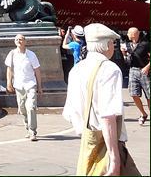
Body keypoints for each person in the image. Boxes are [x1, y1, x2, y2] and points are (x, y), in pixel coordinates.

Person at [63, 23, 131, 176]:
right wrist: (114, 159)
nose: (113, 47)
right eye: (113, 43)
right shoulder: (109, 69)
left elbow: (70, 113)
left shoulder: (76, 70)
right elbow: (108, 116)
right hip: (108, 147)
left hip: (87, 145)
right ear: (107, 45)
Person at [5, 34, 43, 141]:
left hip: (30, 84)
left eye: (21, 39)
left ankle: (32, 131)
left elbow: (37, 70)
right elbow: (9, 70)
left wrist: (39, 86)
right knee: (22, 108)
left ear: (25, 41)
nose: (19, 41)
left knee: (31, 107)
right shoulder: (12, 54)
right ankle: (27, 126)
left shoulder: (31, 55)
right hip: (18, 85)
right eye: (16, 39)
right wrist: (9, 83)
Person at [121, 27, 150, 125]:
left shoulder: (145, 44)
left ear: (135, 34)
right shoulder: (127, 45)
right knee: (134, 94)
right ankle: (143, 113)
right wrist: (124, 53)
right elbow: (126, 60)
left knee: (149, 95)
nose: (127, 35)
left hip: (144, 71)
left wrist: (147, 67)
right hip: (132, 70)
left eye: (129, 33)